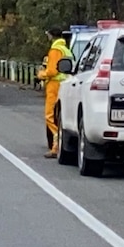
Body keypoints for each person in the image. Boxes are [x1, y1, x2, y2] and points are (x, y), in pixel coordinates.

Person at [38, 28, 74, 158]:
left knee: (50, 116)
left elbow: (52, 71)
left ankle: (55, 145)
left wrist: (41, 74)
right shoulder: (65, 49)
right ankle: (57, 144)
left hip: (54, 85)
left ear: (51, 36)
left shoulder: (55, 50)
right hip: (64, 84)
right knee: (58, 115)